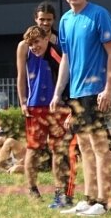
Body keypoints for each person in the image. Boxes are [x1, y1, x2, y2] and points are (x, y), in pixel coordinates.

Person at [50, 0, 111, 217]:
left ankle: (104, 200)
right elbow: (65, 59)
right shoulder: (65, 21)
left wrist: (109, 88)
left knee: (100, 146)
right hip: (77, 93)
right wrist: (58, 93)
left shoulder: (99, 15)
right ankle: (90, 199)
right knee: (84, 147)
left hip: (96, 90)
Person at [17, 25, 73, 202]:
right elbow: (20, 76)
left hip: (57, 107)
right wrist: (23, 101)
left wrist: (70, 105)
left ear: (47, 39)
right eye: (31, 43)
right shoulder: (26, 53)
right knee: (33, 149)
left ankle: (60, 190)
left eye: (37, 42)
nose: (34, 46)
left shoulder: (57, 52)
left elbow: (69, 76)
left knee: (58, 149)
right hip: (35, 107)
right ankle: (32, 188)